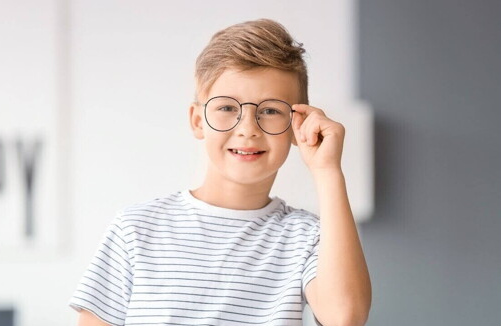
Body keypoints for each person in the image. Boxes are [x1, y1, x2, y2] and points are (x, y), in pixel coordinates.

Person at [69, 18, 371, 326]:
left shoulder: (306, 237)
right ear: (198, 121)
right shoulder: (135, 229)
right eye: (227, 108)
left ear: (297, 126)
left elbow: (344, 317)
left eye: (269, 111)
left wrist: (327, 171)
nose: (248, 129)